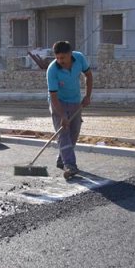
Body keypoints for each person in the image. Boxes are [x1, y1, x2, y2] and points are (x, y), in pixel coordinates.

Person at [45, 41, 93, 179]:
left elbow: (88, 75)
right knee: (63, 133)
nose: (60, 61)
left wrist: (87, 96)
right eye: (57, 58)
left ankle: (62, 158)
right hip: (58, 103)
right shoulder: (52, 70)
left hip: (75, 101)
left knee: (73, 133)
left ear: (70, 54)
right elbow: (53, 96)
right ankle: (70, 165)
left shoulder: (79, 58)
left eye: (63, 58)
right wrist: (62, 116)